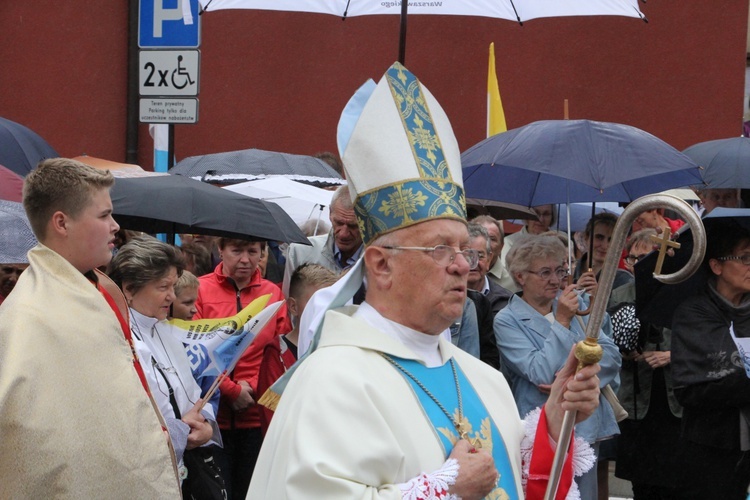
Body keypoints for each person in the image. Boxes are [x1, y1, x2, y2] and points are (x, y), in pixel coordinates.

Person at [249, 63, 601, 500]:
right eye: (440, 250)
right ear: (380, 265)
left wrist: (555, 417)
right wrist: (446, 490)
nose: (462, 266)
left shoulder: (482, 379)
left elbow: (514, 484)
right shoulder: (332, 379)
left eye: (466, 250)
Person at [0, 158, 179, 498]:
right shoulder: (28, 316)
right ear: (61, 223)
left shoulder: (102, 286)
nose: (115, 226)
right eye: (103, 215)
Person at [496, 234, 622, 498]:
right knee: (546, 491)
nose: (556, 280)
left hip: (585, 422)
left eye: (560, 271)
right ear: (520, 276)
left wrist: (572, 380)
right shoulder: (507, 320)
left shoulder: (579, 304)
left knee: (585, 493)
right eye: (545, 272)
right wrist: (562, 322)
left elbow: (611, 356)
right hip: (540, 425)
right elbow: (538, 371)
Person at [108, 236, 223, 494]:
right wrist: (182, 431)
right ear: (128, 288)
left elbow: (195, 395)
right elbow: (128, 427)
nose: (172, 296)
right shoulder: (115, 338)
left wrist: (206, 425)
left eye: (173, 286)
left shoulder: (165, 329)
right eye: (163, 287)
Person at [194, 237, 291, 500]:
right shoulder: (201, 290)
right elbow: (195, 350)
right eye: (236, 251)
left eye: (253, 251)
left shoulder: (273, 293)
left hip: (257, 416)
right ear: (221, 250)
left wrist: (253, 388)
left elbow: (279, 353)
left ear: (262, 254)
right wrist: (230, 390)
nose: (245, 259)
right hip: (212, 419)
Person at [671, 218, 750, 499]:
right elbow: (692, 389)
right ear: (717, 266)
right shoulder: (694, 315)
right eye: (744, 257)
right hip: (712, 449)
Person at [610, 229, 686, 499]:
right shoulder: (619, 294)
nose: (638, 264)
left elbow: (703, 342)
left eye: (646, 257)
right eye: (633, 258)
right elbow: (606, 342)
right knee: (641, 482)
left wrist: (671, 355)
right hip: (636, 399)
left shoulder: (683, 293)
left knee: (677, 480)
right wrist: (622, 350)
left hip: (674, 401)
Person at [257, 263, 339, 434]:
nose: (325, 310)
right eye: (316, 304)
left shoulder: (336, 348)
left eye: (331, 302)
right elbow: (272, 416)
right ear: (293, 307)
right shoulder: (277, 353)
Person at [282, 184, 363, 296]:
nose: (344, 234)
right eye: (338, 223)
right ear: (330, 213)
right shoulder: (300, 252)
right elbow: (288, 307)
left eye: (353, 226)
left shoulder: (380, 259)